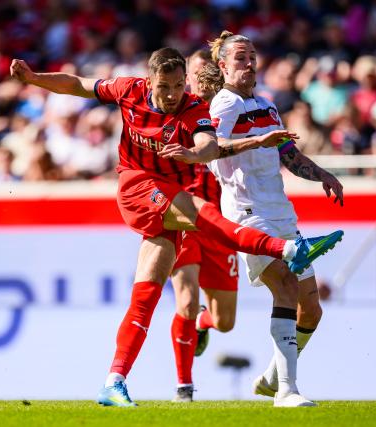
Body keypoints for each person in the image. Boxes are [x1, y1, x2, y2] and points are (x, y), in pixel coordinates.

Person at [10, 47, 343, 407]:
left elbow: (208, 145)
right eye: (164, 87)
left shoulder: (196, 109)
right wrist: (33, 79)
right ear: (149, 81)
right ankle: (287, 250)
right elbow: (78, 84)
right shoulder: (128, 89)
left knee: (150, 296)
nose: (171, 95)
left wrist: (194, 154)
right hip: (139, 186)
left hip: (173, 200)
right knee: (199, 229)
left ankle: (113, 380)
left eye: (177, 86)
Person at [195, 31, 344, 407]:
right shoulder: (223, 105)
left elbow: (289, 155)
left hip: (280, 211)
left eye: (252, 57)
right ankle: (286, 391)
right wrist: (257, 142)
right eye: (241, 58)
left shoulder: (267, 107)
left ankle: (272, 376)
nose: (249, 64)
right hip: (247, 213)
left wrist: (322, 174)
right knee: (286, 289)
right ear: (224, 65)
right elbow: (211, 148)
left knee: (311, 309)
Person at [168, 50, 236, 403]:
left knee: (225, 321)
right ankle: (185, 387)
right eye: (193, 74)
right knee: (187, 299)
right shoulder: (174, 111)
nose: (198, 80)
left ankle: (202, 325)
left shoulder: (227, 111)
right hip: (182, 217)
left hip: (219, 221)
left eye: (205, 73)